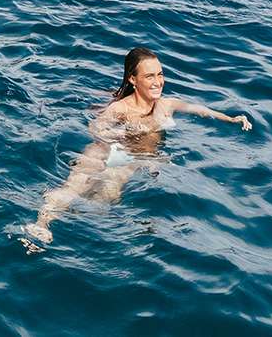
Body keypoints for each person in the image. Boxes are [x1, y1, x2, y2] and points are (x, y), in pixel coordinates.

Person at [20, 46, 251, 247]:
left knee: (105, 199)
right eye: (149, 76)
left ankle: (60, 222)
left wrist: (231, 119)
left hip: (130, 159)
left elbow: (199, 109)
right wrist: (121, 133)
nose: (158, 81)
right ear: (133, 79)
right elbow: (96, 128)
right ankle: (40, 224)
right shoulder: (120, 108)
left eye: (160, 74)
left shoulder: (166, 105)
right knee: (73, 186)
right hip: (108, 151)